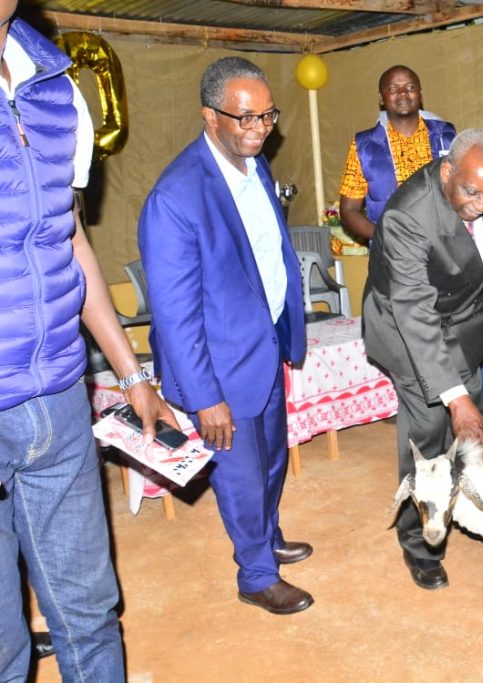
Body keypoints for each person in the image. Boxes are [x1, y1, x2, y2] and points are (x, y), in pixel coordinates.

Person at [0, 3, 176, 679]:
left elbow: (71, 240)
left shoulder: (58, 86)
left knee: (91, 615)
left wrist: (134, 378)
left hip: (61, 402)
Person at [139, 57, 314, 615]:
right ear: (209, 117)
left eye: (267, 116)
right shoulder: (176, 197)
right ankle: (256, 575)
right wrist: (204, 395)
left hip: (263, 348)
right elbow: (175, 314)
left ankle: (267, 536)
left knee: (270, 462)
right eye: (245, 119)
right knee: (238, 474)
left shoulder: (253, 164)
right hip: (218, 367)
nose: (260, 129)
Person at [363, 129, 483, 590]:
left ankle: (470, 508)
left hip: (463, 322)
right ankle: (419, 541)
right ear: (448, 171)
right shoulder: (406, 216)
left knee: (469, 427)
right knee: (429, 432)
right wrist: (454, 398)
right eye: (472, 192)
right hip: (408, 329)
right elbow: (413, 309)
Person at [337, 65, 456, 241]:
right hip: (392, 255)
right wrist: (385, 236)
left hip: (444, 247)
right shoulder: (363, 146)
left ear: (420, 95)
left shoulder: (446, 135)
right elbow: (348, 210)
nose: (402, 93)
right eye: (393, 89)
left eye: (410, 87)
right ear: (381, 98)